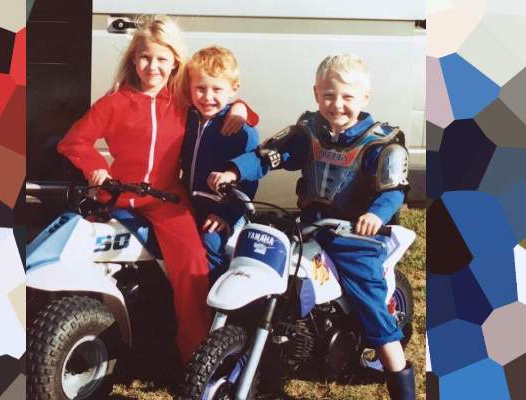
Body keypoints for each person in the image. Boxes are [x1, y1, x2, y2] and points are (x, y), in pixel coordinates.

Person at [211, 53, 415, 399]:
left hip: (356, 238)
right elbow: (269, 155)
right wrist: (234, 171)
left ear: (365, 97)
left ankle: (398, 376)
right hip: (309, 227)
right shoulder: (310, 132)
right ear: (316, 93)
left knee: (371, 305)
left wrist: (375, 216)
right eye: (329, 95)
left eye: (347, 96)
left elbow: (393, 191)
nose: (337, 104)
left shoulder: (379, 143)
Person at [56, 15, 257, 364]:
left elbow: (225, 102)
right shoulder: (114, 102)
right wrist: (95, 166)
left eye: (162, 59)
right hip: (116, 195)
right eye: (145, 58)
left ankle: (195, 354)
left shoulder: (181, 100)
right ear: (134, 60)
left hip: (166, 198)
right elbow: (74, 141)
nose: (153, 67)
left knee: (192, 264)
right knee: (73, 246)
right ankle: (75, 330)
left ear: (175, 62)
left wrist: (241, 108)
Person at [180, 46, 266, 283]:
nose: (208, 97)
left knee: (210, 243)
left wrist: (226, 215)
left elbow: (250, 180)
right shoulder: (189, 118)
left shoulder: (241, 130)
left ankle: (215, 293)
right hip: (191, 203)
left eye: (217, 89)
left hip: (227, 209)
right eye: (200, 88)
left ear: (233, 89)